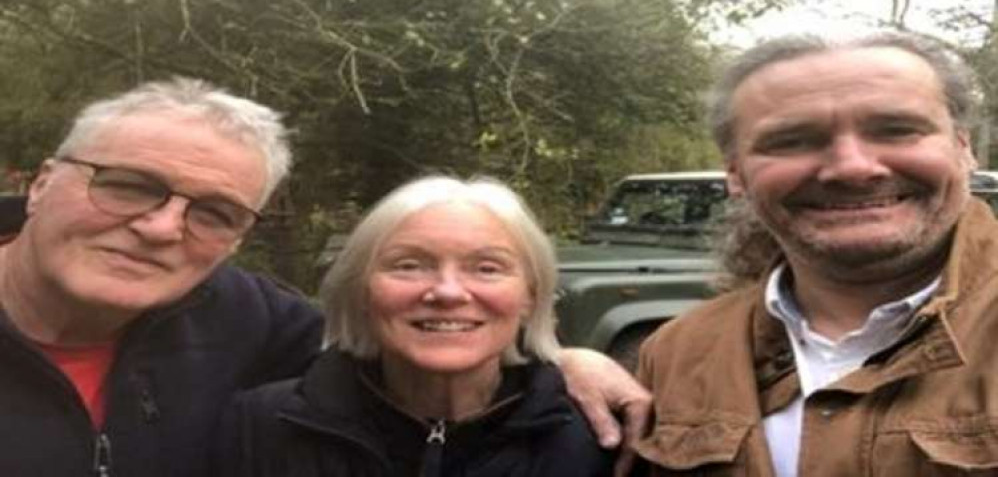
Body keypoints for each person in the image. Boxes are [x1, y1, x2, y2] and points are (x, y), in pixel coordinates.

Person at [0, 78, 649, 476]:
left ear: (238, 238)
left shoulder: (247, 322)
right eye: (128, 186)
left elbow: (420, 334)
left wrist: (561, 358)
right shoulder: (262, 421)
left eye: (213, 212)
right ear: (43, 183)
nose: (163, 227)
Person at [634, 31, 998, 476]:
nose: (852, 167)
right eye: (793, 140)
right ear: (736, 174)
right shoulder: (676, 352)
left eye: (896, 130)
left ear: (964, 149)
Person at [218, 176, 616, 476]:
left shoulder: (597, 439)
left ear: (531, 295)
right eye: (408, 265)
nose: (447, 291)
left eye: (487, 268)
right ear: (361, 290)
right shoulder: (260, 427)